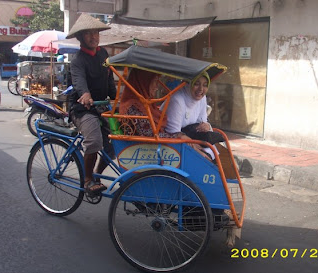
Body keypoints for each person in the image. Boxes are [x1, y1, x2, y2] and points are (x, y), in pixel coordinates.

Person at [66, 13, 116, 196]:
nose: (94, 36)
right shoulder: (78, 60)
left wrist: (117, 96)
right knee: (94, 141)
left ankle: (96, 175)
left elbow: (109, 77)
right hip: (82, 108)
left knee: (115, 143)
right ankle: (87, 180)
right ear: (80, 37)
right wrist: (85, 94)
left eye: (96, 32)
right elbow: (79, 82)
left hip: (101, 106)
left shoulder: (103, 53)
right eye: (88, 33)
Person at [119, 68, 211, 159]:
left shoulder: (145, 104)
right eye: (154, 82)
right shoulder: (134, 107)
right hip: (147, 150)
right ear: (144, 82)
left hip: (158, 146)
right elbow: (150, 134)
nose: (156, 87)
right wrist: (180, 137)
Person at [164, 72, 237, 178]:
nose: (200, 89)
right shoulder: (177, 100)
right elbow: (173, 132)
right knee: (206, 156)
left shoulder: (202, 98)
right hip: (175, 143)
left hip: (190, 138)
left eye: (205, 85)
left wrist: (206, 126)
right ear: (189, 83)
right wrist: (196, 148)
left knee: (217, 151)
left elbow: (202, 121)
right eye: (196, 84)